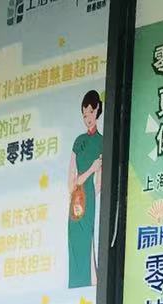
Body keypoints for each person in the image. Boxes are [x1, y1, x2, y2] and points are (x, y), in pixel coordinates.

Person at [68, 90, 103, 289]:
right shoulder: (78, 141)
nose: (87, 117)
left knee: (88, 237)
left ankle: (91, 281)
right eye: (84, 114)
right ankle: (76, 282)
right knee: (75, 241)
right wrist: (90, 170)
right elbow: (71, 184)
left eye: (90, 112)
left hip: (89, 198)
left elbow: (99, 184)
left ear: (97, 110)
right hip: (76, 200)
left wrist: (90, 191)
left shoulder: (102, 142)